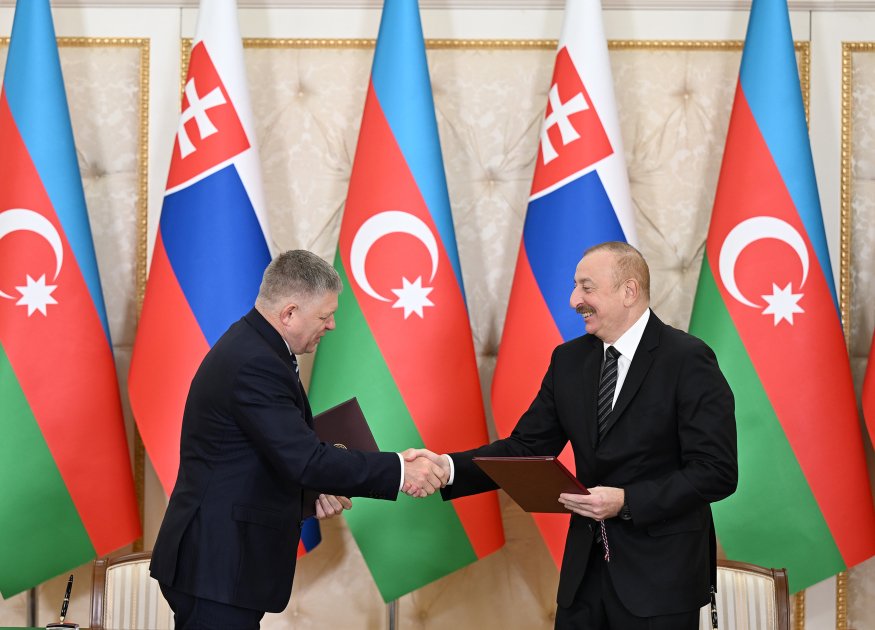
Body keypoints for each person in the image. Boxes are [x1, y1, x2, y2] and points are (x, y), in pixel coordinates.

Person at [414, 241, 737, 629]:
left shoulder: (687, 359)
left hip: (661, 581)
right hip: (583, 580)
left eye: (586, 287)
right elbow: (526, 448)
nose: (573, 300)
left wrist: (626, 501)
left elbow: (716, 471)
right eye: (574, 286)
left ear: (629, 291)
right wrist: (447, 467)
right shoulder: (568, 360)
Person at [150, 250, 447, 629]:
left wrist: (310, 492)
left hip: (222, 565)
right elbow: (305, 459)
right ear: (289, 313)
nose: (332, 325)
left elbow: (259, 456)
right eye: (324, 316)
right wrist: (400, 470)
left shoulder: (257, 348)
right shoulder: (256, 362)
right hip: (217, 565)